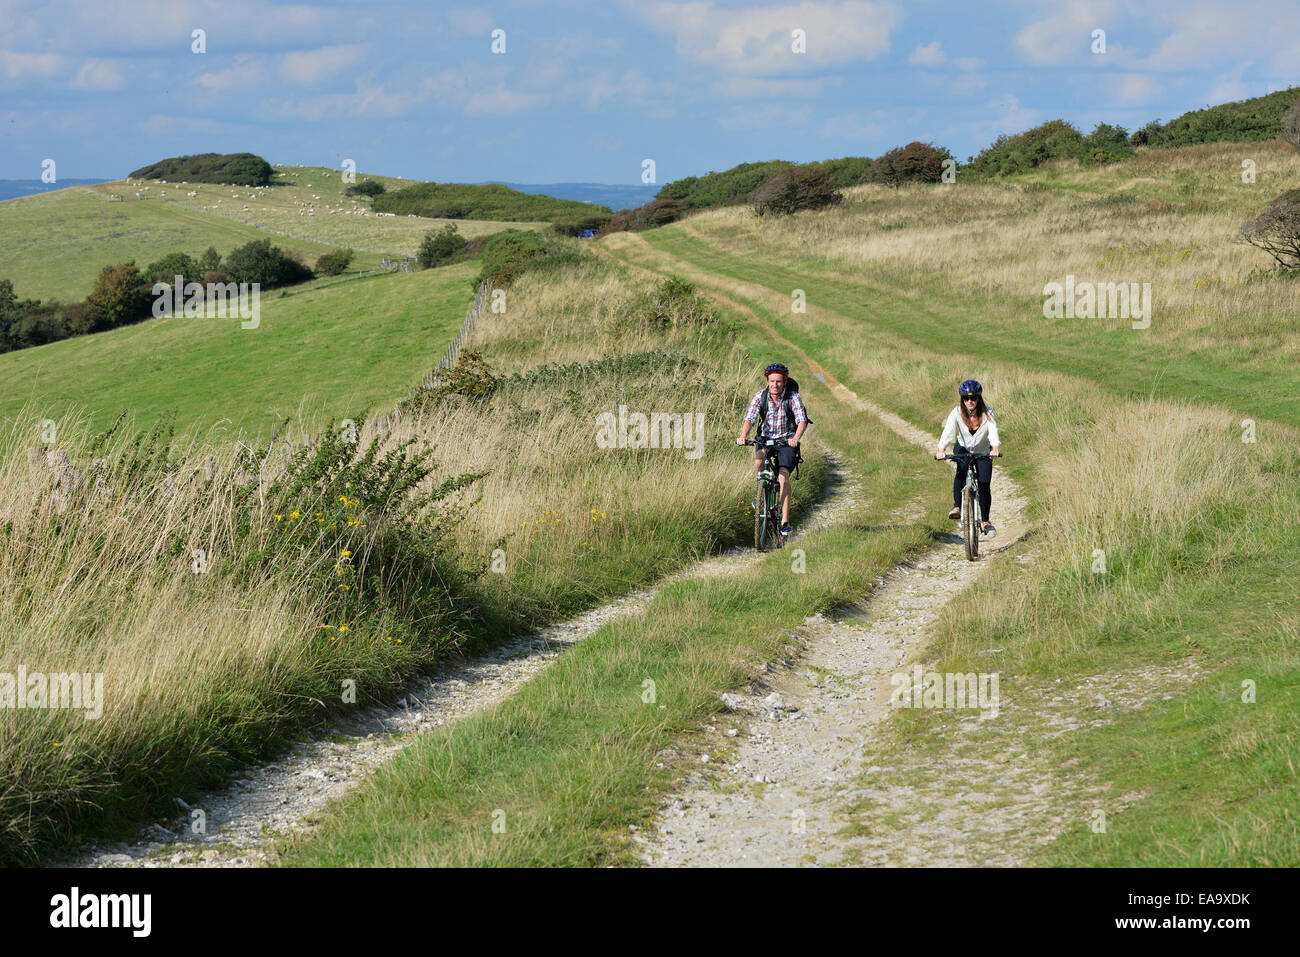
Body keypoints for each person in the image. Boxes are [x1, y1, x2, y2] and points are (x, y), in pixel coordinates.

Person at [736, 362, 808, 537]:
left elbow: (801, 420)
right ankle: (760, 494)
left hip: (786, 440)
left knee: (783, 478)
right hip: (766, 438)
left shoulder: (793, 397)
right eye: (772, 381)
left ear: (785, 381)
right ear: (767, 381)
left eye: (779, 381)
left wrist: (795, 438)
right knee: (759, 461)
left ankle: (784, 522)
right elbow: (750, 417)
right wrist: (743, 436)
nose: (775, 385)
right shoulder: (760, 396)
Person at [935, 379, 1001, 535]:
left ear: (979, 398)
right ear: (962, 399)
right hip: (963, 448)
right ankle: (957, 507)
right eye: (966, 398)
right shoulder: (956, 412)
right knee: (961, 471)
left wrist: (995, 448)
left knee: (984, 484)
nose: (969, 401)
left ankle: (985, 521)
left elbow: (993, 431)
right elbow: (949, 431)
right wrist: (941, 449)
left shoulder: (987, 413)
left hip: (983, 450)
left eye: (973, 398)